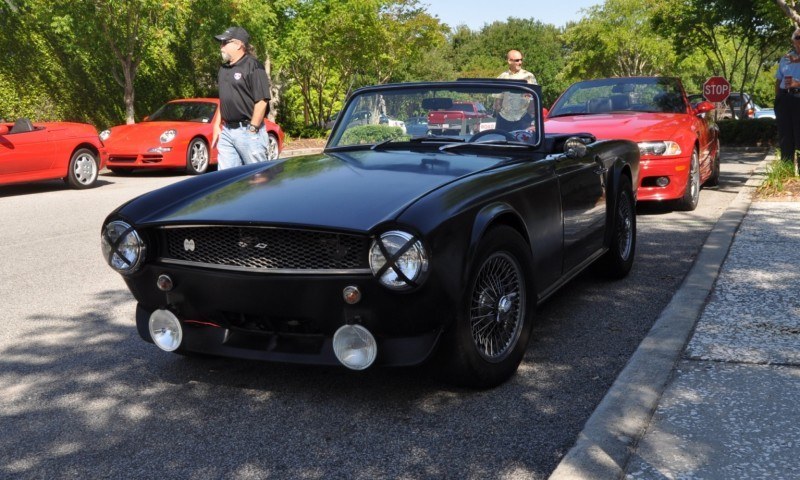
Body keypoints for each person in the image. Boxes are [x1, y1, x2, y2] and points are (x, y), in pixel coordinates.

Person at [212, 26, 273, 170]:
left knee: (257, 178)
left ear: (239, 44)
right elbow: (224, 99)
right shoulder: (223, 69)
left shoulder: (253, 66)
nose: (221, 47)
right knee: (226, 181)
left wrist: (252, 129)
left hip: (248, 130)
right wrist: (216, 125)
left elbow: (262, 101)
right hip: (227, 131)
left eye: (224, 43)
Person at [494, 49, 538, 132]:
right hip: (504, 119)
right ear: (509, 61)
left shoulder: (528, 76)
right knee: (501, 141)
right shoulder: (502, 77)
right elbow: (497, 101)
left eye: (521, 60)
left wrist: (529, 117)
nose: (520, 62)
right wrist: (499, 113)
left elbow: (534, 98)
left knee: (523, 142)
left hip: (523, 118)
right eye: (517, 60)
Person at [774, 28, 800, 163]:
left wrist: (797, 84)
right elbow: (779, 80)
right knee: (785, 138)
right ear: (793, 40)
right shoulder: (786, 58)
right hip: (784, 100)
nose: (799, 41)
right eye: (797, 38)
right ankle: (786, 170)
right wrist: (778, 100)